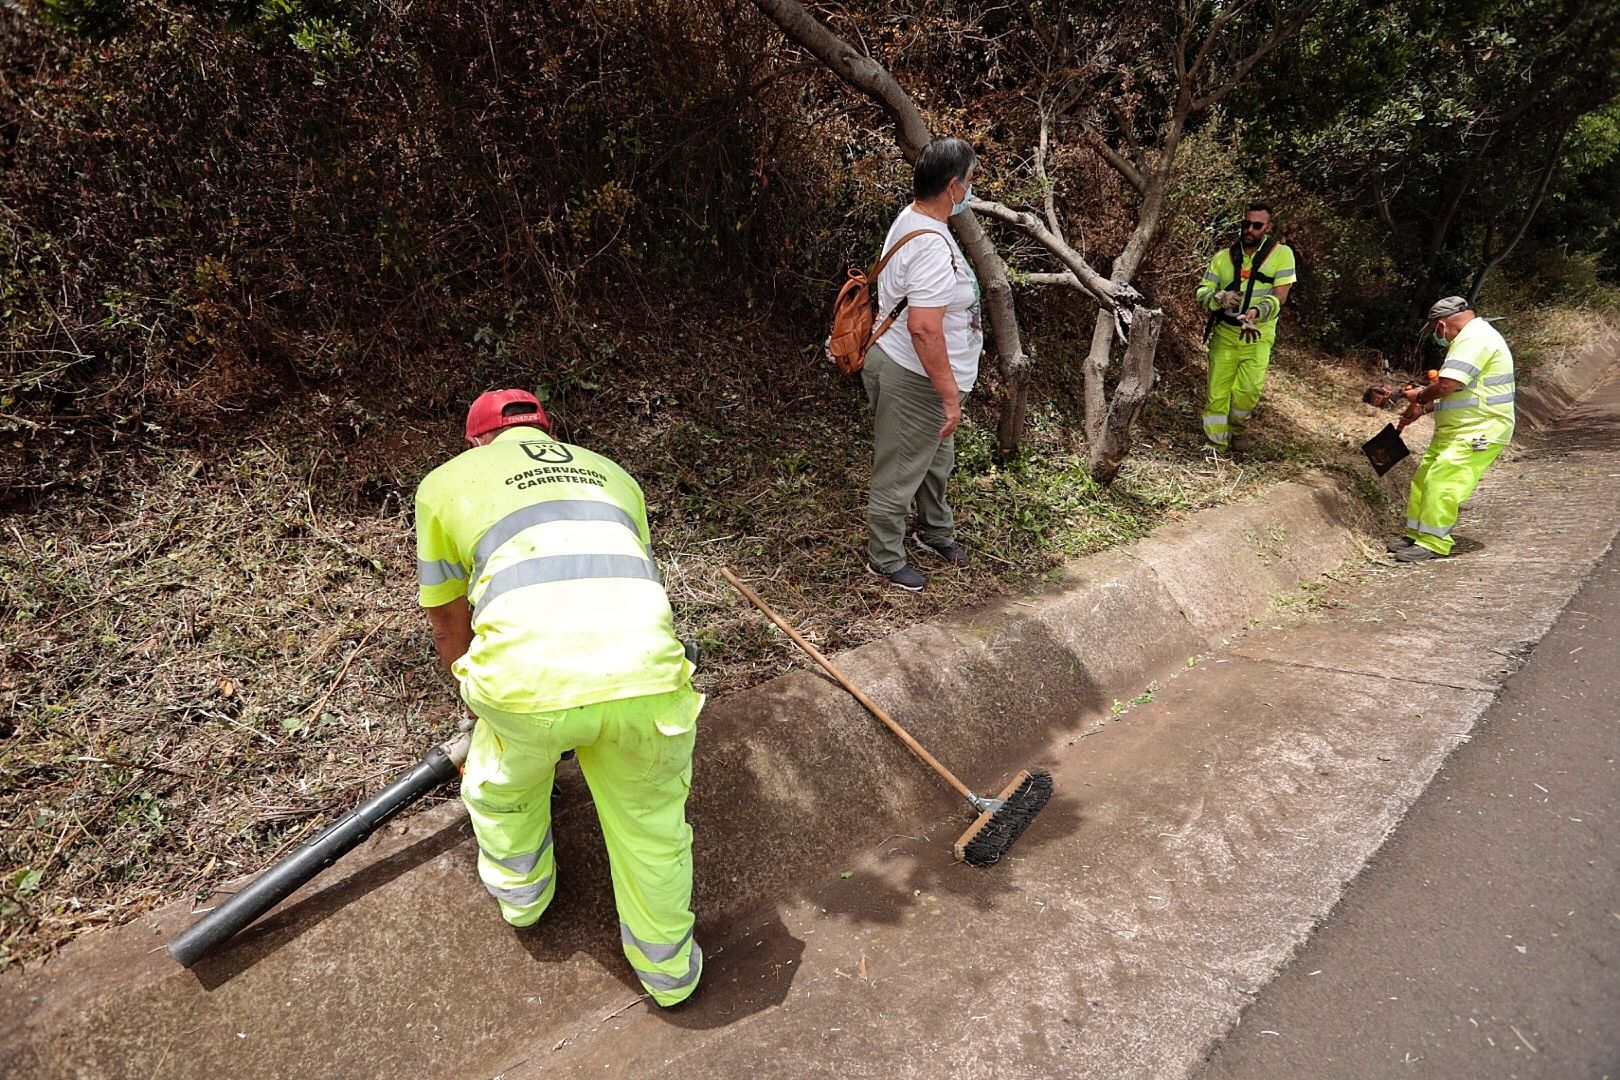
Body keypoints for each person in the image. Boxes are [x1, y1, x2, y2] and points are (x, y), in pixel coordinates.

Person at [414, 389, 704, 1006]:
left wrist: (479, 704)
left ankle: (526, 904)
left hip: (528, 689)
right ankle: (671, 977)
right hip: (649, 680)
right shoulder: (614, 474)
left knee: (504, 783)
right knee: (652, 828)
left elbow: (448, 622)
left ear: (477, 440)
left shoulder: (445, 484)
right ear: (547, 431)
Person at [863, 136, 984, 591]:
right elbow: (924, 329)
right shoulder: (932, 244)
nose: (971, 190)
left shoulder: (914, 218)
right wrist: (950, 396)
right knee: (899, 470)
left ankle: (935, 532)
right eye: (969, 182)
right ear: (953, 187)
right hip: (915, 377)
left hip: (915, 372)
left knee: (935, 461)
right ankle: (886, 557)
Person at [1387, 297, 1516, 563]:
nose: (1438, 335)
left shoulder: (1475, 339)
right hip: (1458, 428)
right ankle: (1417, 534)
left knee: (1442, 481)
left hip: (1480, 429)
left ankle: (1433, 542)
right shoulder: (1471, 338)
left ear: (1442, 324)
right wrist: (1422, 408)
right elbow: (1466, 392)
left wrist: (1421, 398)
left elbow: (1447, 386)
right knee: (1424, 479)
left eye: (1436, 329)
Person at [1195, 203, 1298, 453]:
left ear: (1268, 228)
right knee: (1216, 394)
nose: (1249, 229)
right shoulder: (1222, 258)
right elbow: (1202, 292)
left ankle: (1239, 429)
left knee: (1247, 393)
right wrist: (1218, 298)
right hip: (1225, 334)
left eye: (1257, 225)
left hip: (1257, 335)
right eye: (1245, 224)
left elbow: (1280, 296)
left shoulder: (1281, 254)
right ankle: (1215, 447)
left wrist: (1256, 312)